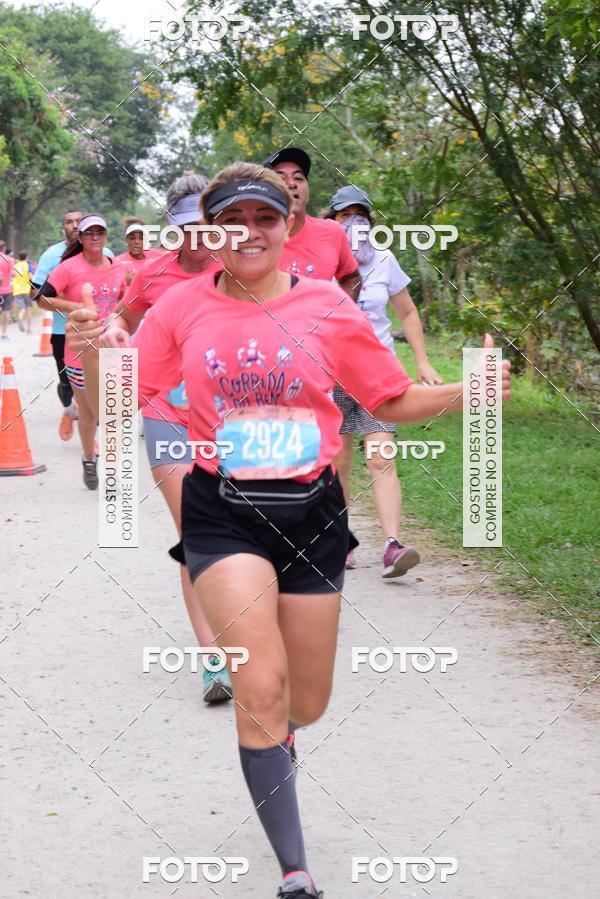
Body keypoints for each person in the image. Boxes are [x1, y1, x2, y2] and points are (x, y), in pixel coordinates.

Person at [66, 161, 511, 899]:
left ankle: (283, 738)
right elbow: (119, 406)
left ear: (285, 227)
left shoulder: (327, 312)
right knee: (261, 685)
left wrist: (468, 391)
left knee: (305, 701)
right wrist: (90, 355)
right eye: (229, 221)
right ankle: (295, 870)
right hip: (223, 513)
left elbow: (390, 398)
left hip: (312, 514)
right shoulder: (181, 308)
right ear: (209, 231)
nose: (247, 234)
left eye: (263, 219)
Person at [99, 173, 230, 704]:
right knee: (197, 534)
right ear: (171, 230)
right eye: (186, 230)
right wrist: (114, 331)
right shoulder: (152, 273)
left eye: (205, 228)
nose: (197, 240)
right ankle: (214, 660)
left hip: (234, 415)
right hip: (167, 413)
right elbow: (121, 319)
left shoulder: (241, 268)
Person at [324, 185, 443, 576]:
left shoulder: (384, 259)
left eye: (361, 214)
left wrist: (422, 362)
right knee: (338, 461)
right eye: (345, 215)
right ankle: (340, 540)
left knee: (381, 457)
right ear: (332, 219)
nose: (354, 222)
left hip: (378, 372)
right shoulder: (320, 261)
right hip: (333, 371)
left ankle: (392, 544)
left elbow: (407, 313)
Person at [36, 214, 125, 489]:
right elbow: (41, 298)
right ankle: (89, 459)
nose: (95, 237)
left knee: (113, 413)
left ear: (106, 236)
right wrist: (74, 307)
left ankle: (112, 470)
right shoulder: (68, 267)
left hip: (111, 349)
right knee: (89, 414)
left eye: (100, 232)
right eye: (89, 233)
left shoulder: (117, 265)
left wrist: (117, 318)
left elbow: (123, 297)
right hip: (79, 352)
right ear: (81, 238)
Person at [31, 210, 113, 442]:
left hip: (99, 333)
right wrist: (75, 307)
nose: (75, 225)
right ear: (63, 228)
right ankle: (69, 409)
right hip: (63, 332)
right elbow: (35, 294)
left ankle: (95, 436)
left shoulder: (106, 254)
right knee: (68, 384)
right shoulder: (51, 256)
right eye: (69, 222)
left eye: (79, 221)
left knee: (100, 384)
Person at [264, 147, 361, 300]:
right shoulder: (245, 239)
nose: (291, 184)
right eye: (281, 179)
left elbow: (352, 278)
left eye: (298, 178)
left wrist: (338, 315)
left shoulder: (332, 232)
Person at [114, 217, 162, 284]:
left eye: (141, 238)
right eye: (132, 238)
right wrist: (125, 283)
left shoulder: (157, 256)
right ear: (126, 241)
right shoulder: (118, 262)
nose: (137, 242)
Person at [12, 252, 34, 334]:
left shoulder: (15, 266)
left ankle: (20, 318)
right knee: (29, 310)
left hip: (17, 290)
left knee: (22, 308)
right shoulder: (28, 265)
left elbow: (12, 275)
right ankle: (29, 330)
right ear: (27, 257)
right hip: (26, 290)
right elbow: (31, 277)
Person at [0, 241, 15, 341]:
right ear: (4, 248)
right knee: (6, 311)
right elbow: (14, 274)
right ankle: (4, 335)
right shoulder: (9, 259)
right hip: (6, 290)